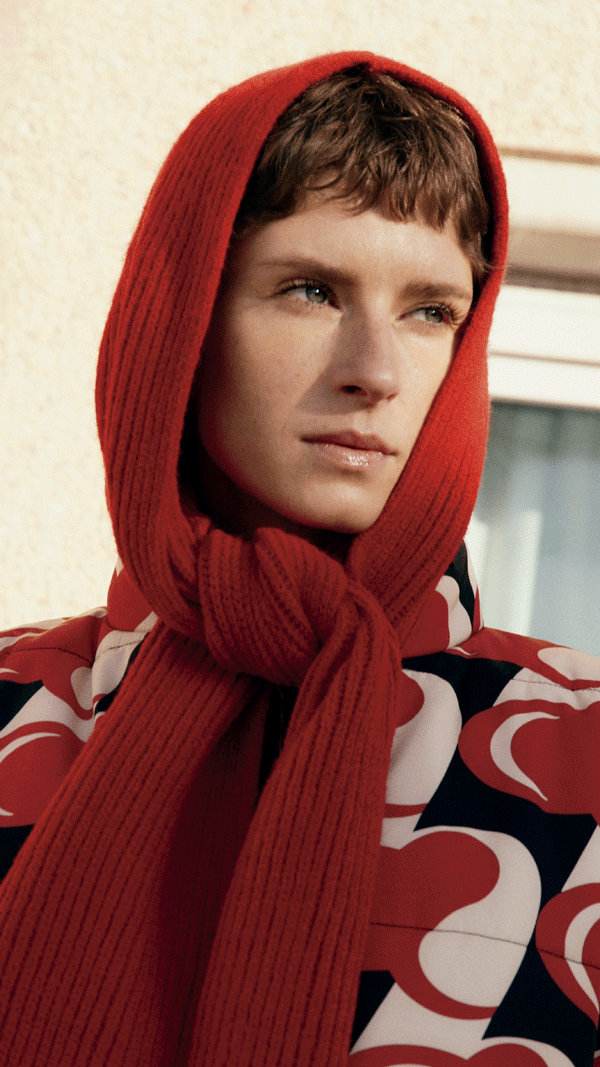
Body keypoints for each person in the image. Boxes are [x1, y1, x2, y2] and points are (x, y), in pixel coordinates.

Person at [0, 50, 599, 1067]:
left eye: (431, 310)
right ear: (183, 322)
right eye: (311, 290)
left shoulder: (577, 752)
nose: (376, 370)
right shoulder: (18, 708)